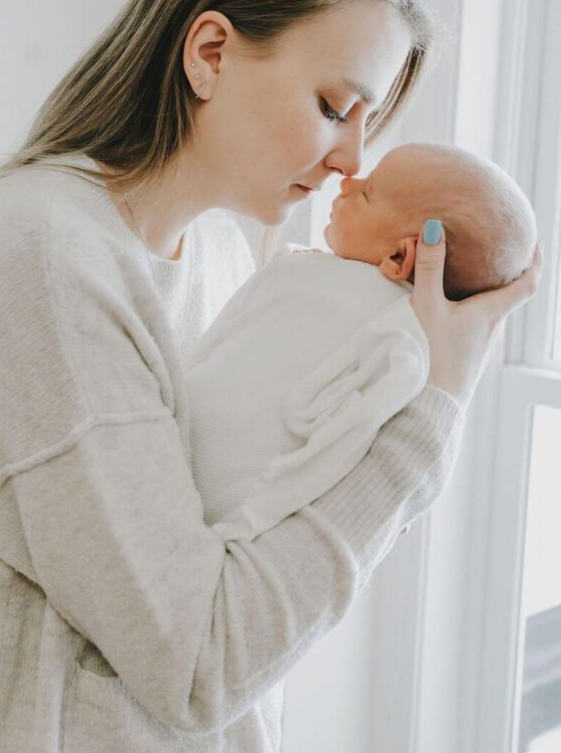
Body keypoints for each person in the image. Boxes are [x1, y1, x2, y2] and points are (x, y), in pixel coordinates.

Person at [0, 0, 542, 753]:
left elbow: (254, 567)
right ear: (208, 50)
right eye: (334, 105)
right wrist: (431, 416)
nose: (351, 160)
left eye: (369, 122)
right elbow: (200, 661)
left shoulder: (223, 260)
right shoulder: (41, 259)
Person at [183, 142, 538, 543]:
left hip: (214, 489)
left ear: (401, 257)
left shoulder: (395, 339)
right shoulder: (399, 333)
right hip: (211, 502)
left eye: (367, 192)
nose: (349, 181)